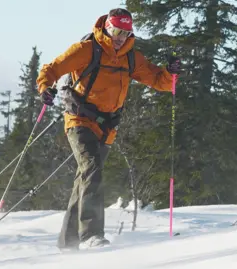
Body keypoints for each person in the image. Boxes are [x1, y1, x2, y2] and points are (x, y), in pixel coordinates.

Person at [36, 8, 181, 250]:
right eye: (115, 31)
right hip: (79, 120)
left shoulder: (130, 57)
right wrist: (44, 88)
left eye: (125, 33)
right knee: (91, 168)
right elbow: (52, 69)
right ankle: (91, 235)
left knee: (85, 177)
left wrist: (170, 73)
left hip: (107, 127)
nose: (119, 37)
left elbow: (158, 81)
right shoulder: (86, 50)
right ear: (106, 28)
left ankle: (67, 243)